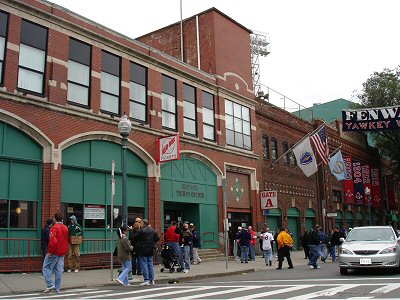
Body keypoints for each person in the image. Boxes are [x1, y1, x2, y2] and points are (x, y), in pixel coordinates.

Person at [42, 212, 69, 294]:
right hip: (62, 252)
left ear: (55, 219)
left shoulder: (54, 228)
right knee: (59, 271)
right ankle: (57, 288)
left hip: (54, 252)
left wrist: (50, 252)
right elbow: (67, 240)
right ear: (62, 219)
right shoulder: (65, 228)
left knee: (46, 268)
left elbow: (53, 242)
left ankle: (50, 285)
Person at [135, 219, 160, 286]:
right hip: (150, 249)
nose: (141, 224)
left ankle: (146, 279)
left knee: (144, 265)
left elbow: (134, 237)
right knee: (150, 264)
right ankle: (152, 280)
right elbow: (157, 238)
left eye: (141, 223)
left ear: (143, 223)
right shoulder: (152, 230)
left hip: (143, 249)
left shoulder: (141, 231)